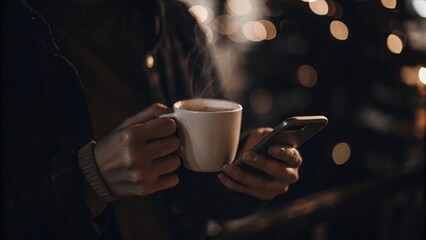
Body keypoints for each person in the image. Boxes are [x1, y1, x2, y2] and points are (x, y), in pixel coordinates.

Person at [1, 0, 302, 239]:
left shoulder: (174, 21)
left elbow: (199, 199)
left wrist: (243, 179)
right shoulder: (14, 32)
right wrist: (89, 182)